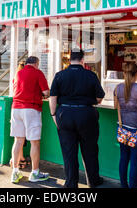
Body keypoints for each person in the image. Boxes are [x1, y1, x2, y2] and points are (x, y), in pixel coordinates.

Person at [49, 50, 105, 188]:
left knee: (69, 152)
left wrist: (53, 115)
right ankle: (93, 181)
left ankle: (71, 183)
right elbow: (99, 98)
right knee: (90, 150)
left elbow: (53, 97)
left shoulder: (59, 75)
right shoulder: (91, 75)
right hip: (86, 115)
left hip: (65, 115)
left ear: (69, 60)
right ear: (82, 60)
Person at [10, 56, 50, 183]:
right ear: (36, 64)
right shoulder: (37, 72)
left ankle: (15, 173)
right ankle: (35, 173)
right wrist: (42, 95)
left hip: (16, 108)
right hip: (31, 109)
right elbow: (46, 92)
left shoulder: (18, 73)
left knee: (18, 141)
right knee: (34, 142)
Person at [113, 62, 137, 188]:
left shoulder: (117, 88)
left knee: (123, 158)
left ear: (124, 73)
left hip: (123, 128)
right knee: (135, 161)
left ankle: (124, 185)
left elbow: (115, 106)